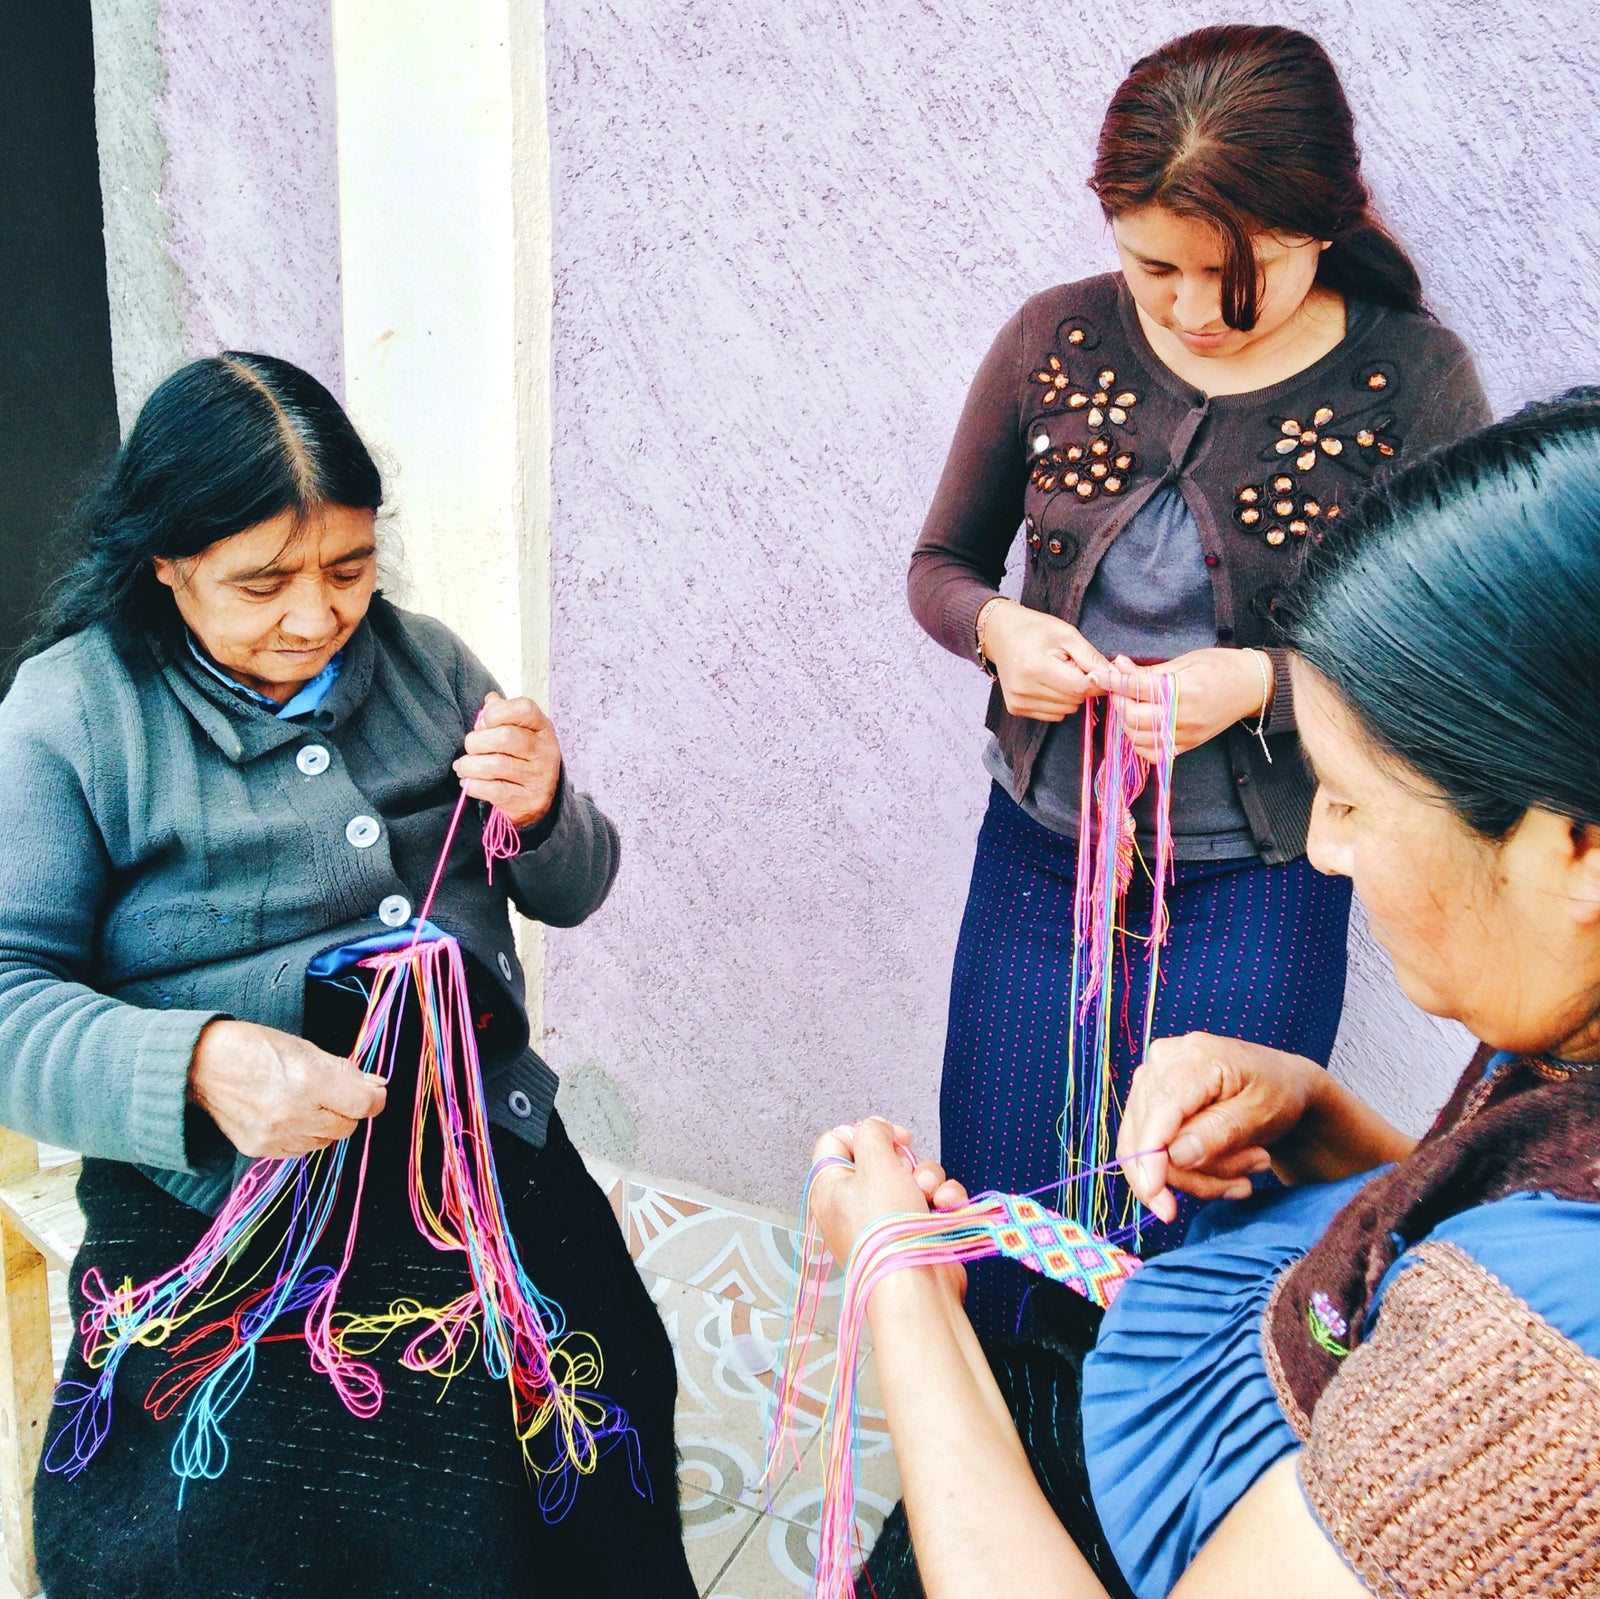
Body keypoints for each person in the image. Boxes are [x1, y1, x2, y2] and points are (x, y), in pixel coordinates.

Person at [825, 391, 1600, 1597]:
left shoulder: (1542, 1386)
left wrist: (894, 1285)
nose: (1330, 851)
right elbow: (1495, 1218)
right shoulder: (1566, 1050)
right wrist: (1331, 1132)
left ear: (1575, 850)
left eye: (1348, 803)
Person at [0, 354, 697, 1598]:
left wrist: (544, 811)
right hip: (211, 1187)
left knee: (596, 1394)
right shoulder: (72, 715)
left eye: (347, 567)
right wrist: (201, 1066)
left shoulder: (428, 666)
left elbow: (572, 889)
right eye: (260, 582)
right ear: (165, 563)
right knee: (250, 1510)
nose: (316, 615)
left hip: (473, 1151)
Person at [909, 24, 1491, 1337]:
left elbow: (1438, 659)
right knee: (1007, 1206)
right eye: (1151, 264)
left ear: (1322, 226)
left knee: (1196, 1221)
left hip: (1263, 879)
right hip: (1039, 853)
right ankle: (999, 1481)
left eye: (1237, 277)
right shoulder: (1049, 337)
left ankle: (1157, 1514)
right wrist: (999, 629)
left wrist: (1267, 684)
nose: (1184, 308)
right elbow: (942, 564)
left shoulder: (1413, 378)